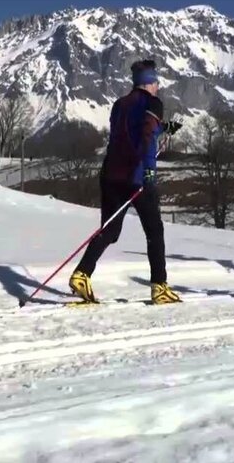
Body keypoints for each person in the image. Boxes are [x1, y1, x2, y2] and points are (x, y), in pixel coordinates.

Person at [69, 59, 183, 305]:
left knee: (109, 230)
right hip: (137, 176)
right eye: (156, 82)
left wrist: (163, 128)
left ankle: (82, 274)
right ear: (149, 83)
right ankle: (159, 287)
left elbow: (129, 133)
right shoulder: (153, 103)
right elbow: (145, 138)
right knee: (154, 231)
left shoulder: (120, 104)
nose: (158, 86)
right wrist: (149, 172)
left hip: (111, 174)